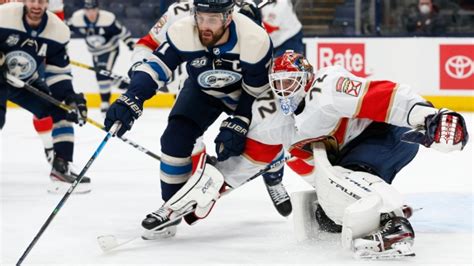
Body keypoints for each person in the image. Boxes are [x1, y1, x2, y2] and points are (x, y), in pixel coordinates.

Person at [216, 50, 468, 258]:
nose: (284, 90)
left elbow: (383, 96)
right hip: (354, 152)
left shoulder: (328, 88)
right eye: (278, 83)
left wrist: (427, 116)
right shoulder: (276, 120)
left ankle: (395, 225)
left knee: (351, 172)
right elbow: (253, 163)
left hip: (390, 134)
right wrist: (214, 185)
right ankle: (380, 204)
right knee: (327, 219)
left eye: (289, 81)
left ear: (306, 79)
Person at [104, 0, 293, 237]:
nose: (204, 25)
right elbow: (157, 65)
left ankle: (274, 176)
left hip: (244, 94)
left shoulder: (255, 38)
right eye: (200, 17)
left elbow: (257, 89)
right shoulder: (182, 30)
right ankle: (170, 210)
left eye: (212, 19)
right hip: (202, 90)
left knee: (264, 135)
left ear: (228, 17)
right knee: (174, 140)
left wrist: (241, 120)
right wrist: (132, 97)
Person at [0, 0, 91, 193]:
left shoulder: (58, 31)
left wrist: (69, 96)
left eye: (41, 1)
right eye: (32, 0)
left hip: (23, 80)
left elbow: (58, 73)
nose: (36, 5)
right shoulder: (4, 15)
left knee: (62, 109)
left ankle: (61, 167)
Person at [67, 0, 135, 116]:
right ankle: (126, 85)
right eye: (88, 10)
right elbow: (63, 29)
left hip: (110, 49)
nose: (91, 13)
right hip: (94, 52)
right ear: (84, 10)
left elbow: (122, 32)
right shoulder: (76, 19)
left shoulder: (107, 19)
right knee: (102, 75)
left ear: (98, 9)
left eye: (93, 10)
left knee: (102, 73)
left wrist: (130, 44)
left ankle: (105, 102)